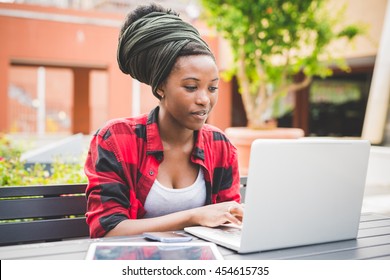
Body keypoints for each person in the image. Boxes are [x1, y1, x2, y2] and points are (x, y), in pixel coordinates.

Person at [84, 3, 243, 238]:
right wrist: (193, 216)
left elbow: (229, 222)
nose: (204, 100)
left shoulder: (220, 146)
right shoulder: (115, 140)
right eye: (191, 87)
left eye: (212, 88)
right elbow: (106, 229)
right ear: (160, 88)